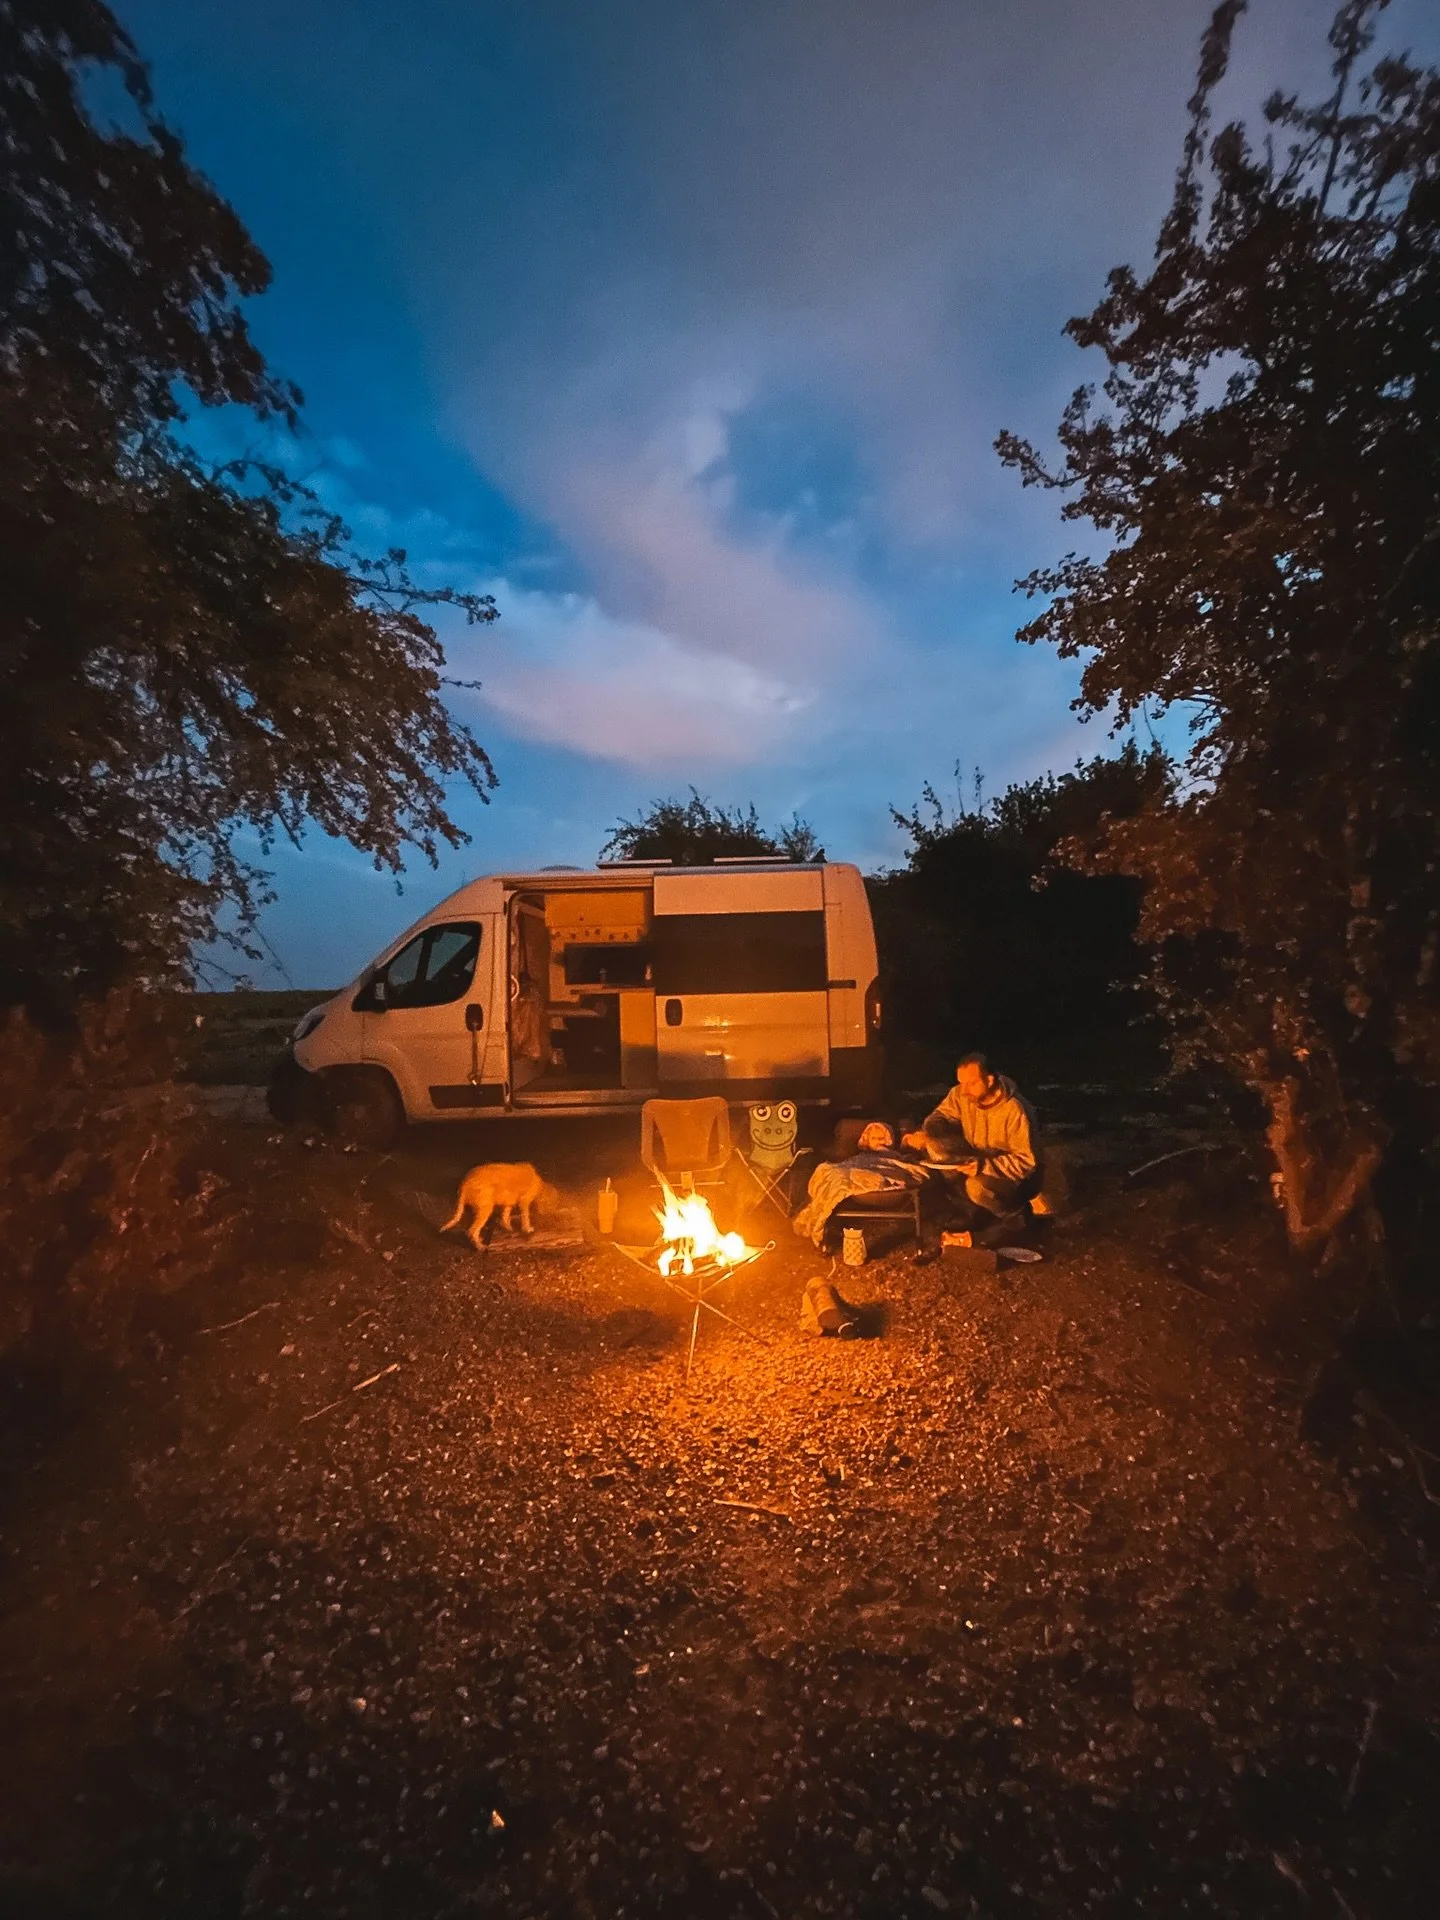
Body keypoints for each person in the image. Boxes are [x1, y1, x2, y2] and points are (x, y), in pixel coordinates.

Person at [902, 1054, 1039, 1229]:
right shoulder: (961, 1094)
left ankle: (1014, 1214)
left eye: (971, 1084)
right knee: (934, 1147)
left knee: (976, 1187)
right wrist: (930, 1133)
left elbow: (1026, 1162)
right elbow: (940, 1116)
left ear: (989, 1081)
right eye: (961, 1083)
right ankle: (973, 1211)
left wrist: (983, 1166)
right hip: (976, 1157)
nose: (964, 1091)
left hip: (1013, 1175)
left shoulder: (1015, 1110)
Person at [790, 1121, 929, 1250]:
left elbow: (903, 1168)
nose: (879, 1142)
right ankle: (822, 1222)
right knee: (826, 1170)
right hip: (855, 1171)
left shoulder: (895, 1156)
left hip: (877, 1175)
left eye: (883, 1138)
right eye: (875, 1138)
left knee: (847, 1178)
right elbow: (850, 1165)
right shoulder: (861, 1157)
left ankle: (823, 1223)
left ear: (889, 1140)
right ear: (867, 1140)